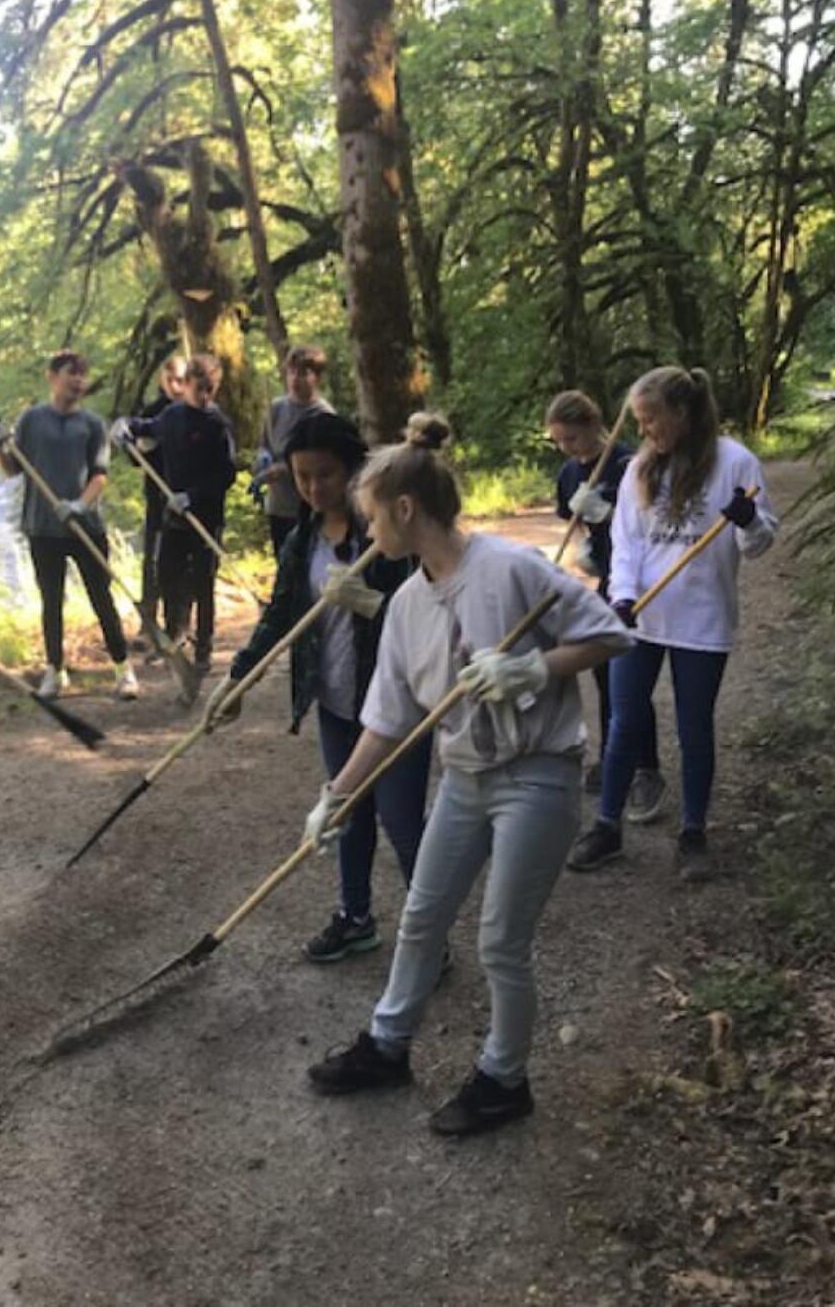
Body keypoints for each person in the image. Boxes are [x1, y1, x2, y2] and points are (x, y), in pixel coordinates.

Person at [303, 414, 632, 1136]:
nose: (368, 533)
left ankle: (503, 1080)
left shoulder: (511, 569)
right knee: (421, 916)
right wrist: (337, 795)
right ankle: (388, 1046)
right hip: (464, 777)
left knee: (499, 941)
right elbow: (386, 718)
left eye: (371, 517)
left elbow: (611, 631)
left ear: (405, 509)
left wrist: (532, 666)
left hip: (537, 776)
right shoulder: (407, 606)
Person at [204, 411, 433, 962]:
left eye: (325, 475)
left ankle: (430, 935)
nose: (312, 488)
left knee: (403, 826)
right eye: (302, 477)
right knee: (344, 813)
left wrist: (371, 604)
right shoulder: (302, 540)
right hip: (335, 701)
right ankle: (355, 917)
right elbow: (280, 614)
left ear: (353, 471)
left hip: (394, 704)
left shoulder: (386, 534)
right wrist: (238, 678)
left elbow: (425, 609)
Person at [566, 367, 777, 882]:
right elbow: (627, 546)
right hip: (642, 619)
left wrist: (747, 520)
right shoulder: (641, 468)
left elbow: (761, 541)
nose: (647, 432)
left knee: (694, 727)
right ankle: (608, 825)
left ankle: (692, 834)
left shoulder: (734, 462)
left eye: (652, 419)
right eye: (639, 421)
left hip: (702, 621)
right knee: (622, 721)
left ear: (682, 412)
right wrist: (621, 598)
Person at [547, 389, 666, 817]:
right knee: (602, 673)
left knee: (630, 679)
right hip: (605, 578)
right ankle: (612, 756)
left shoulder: (627, 463)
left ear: (593, 427)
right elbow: (573, 524)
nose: (568, 449)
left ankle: (646, 767)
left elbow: (652, 522)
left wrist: (607, 513)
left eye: (573, 439)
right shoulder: (567, 473)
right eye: (560, 441)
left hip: (638, 578)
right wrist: (583, 542)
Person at [0, 350, 138, 701]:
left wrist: (78, 505)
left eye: (82, 375)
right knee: (51, 601)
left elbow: (100, 476)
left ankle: (124, 670)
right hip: (42, 528)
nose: (78, 381)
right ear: (52, 376)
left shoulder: (92, 425)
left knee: (101, 597)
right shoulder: (31, 421)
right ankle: (55, 672)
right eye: (71, 374)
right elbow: (15, 469)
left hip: (85, 527)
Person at [112, 352, 236, 673]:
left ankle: (204, 649)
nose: (205, 396)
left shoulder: (217, 425)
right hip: (173, 519)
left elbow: (226, 474)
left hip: (205, 518)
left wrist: (192, 497)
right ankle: (175, 634)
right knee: (167, 577)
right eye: (199, 389)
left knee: (203, 584)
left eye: (211, 390)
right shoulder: (172, 416)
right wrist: (125, 426)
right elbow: (146, 427)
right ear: (188, 385)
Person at [255, 345, 333, 559]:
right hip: (278, 505)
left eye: (303, 374)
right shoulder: (277, 408)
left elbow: (324, 463)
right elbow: (264, 443)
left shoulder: (322, 415)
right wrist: (263, 460)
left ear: (316, 378)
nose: (295, 380)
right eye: (291, 373)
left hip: (308, 506)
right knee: (282, 561)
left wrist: (284, 469)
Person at [133, 354, 187, 653]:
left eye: (181, 380)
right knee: (152, 562)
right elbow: (133, 456)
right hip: (156, 498)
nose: (176, 386)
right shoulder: (152, 412)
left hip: (184, 501)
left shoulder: (192, 410)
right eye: (171, 380)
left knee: (180, 566)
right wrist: (138, 445)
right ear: (162, 381)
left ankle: (178, 626)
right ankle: (148, 624)